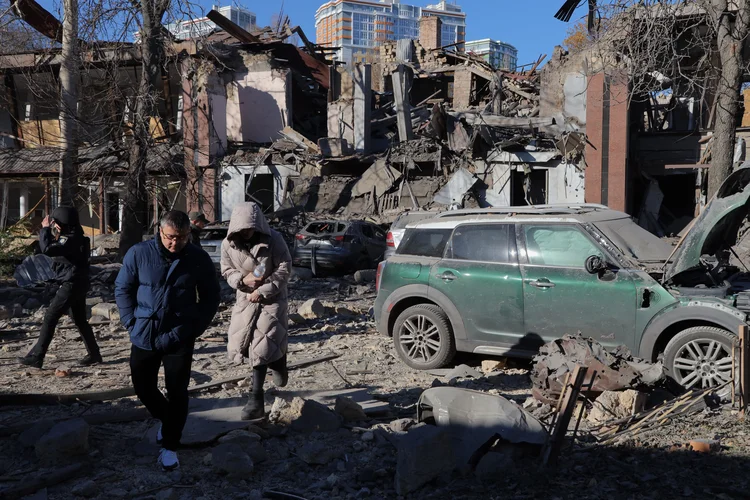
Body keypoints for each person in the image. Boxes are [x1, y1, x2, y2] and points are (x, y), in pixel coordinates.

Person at [115, 210, 220, 471]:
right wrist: (130, 322)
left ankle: (170, 447)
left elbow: (210, 298)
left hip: (179, 334)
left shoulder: (198, 258)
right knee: (143, 387)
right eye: (171, 237)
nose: (176, 243)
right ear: (160, 232)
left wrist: (194, 328)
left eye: (183, 237)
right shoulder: (139, 253)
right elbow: (123, 288)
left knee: (177, 392)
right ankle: (168, 421)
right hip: (144, 331)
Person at [221, 202, 291, 421]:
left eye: (250, 228)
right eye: (243, 229)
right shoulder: (228, 244)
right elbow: (226, 270)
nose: (247, 233)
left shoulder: (274, 240)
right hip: (245, 298)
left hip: (272, 299)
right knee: (246, 344)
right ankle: (276, 360)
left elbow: (285, 267)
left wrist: (264, 289)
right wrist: (241, 280)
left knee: (262, 346)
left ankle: (256, 398)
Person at [18, 207, 101, 368]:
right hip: (79, 282)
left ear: (60, 223)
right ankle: (94, 354)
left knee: (50, 317)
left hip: (71, 284)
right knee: (79, 320)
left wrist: (44, 230)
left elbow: (47, 249)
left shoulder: (69, 239)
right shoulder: (78, 237)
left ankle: (37, 356)